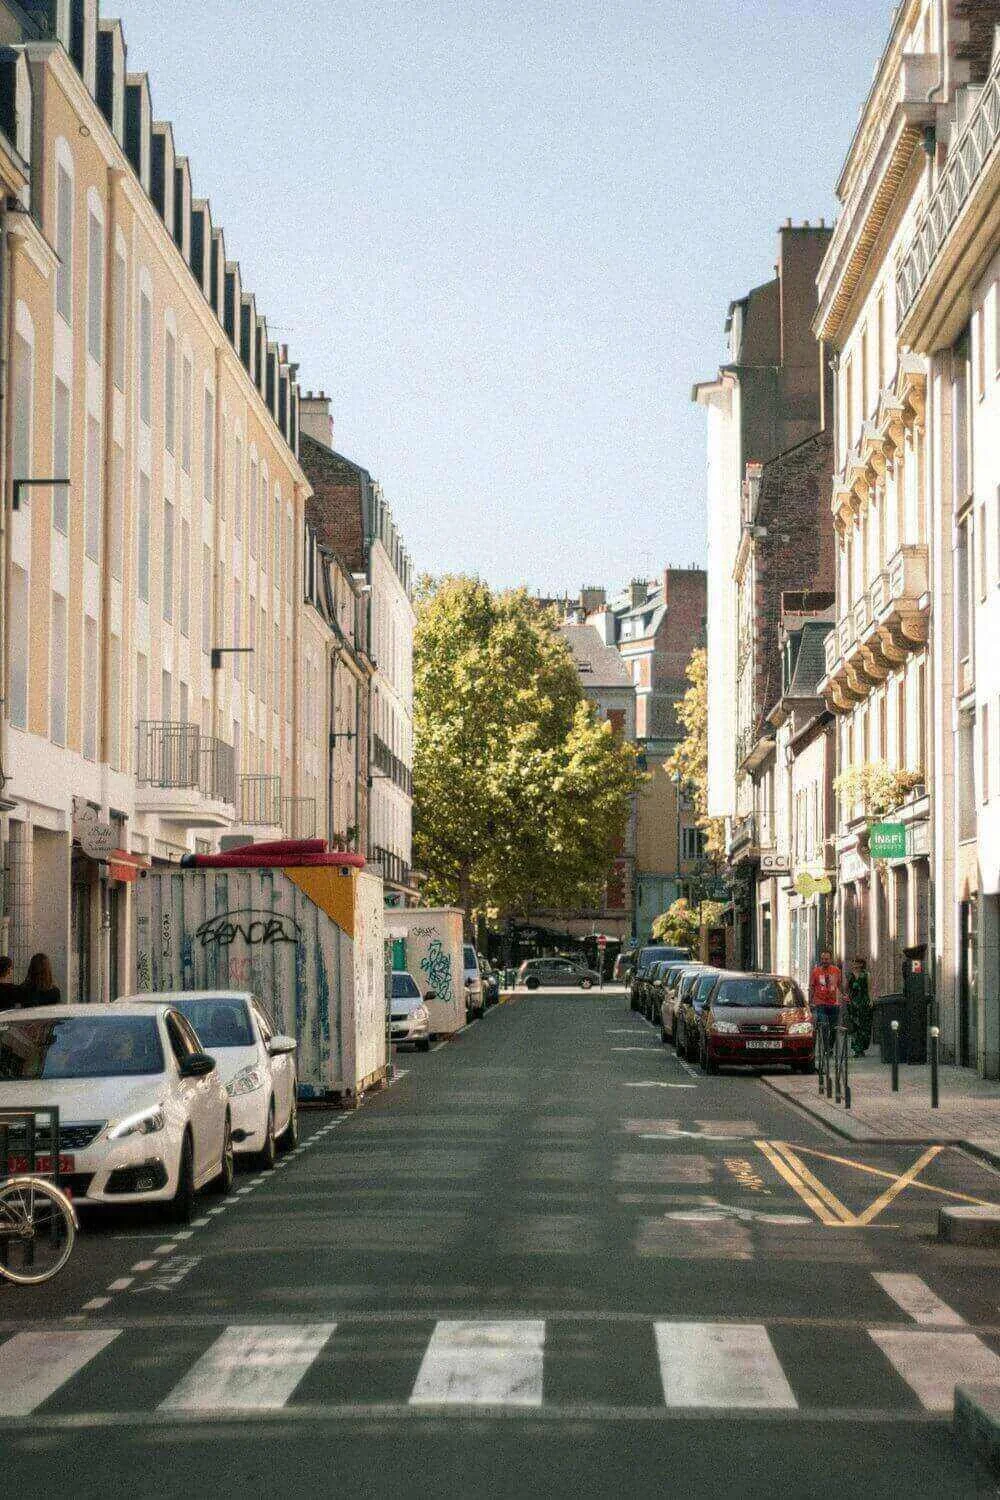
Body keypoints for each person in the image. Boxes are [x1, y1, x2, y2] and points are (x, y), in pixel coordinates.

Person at [809, 949, 843, 1045]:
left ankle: (830, 1046)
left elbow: (839, 985)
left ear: (830, 959)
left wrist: (844, 995)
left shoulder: (836, 970)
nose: (824, 961)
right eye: (822, 959)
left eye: (826, 959)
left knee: (833, 1027)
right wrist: (810, 1001)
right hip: (820, 1003)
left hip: (833, 1003)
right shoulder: (816, 971)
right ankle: (826, 1046)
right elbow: (812, 987)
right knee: (823, 1025)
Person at [846, 956, 873, 1058]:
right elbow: (846, 989)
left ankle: (862, 1047)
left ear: (861, 964)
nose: (854, 964)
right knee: (854, 1026)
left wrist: (870, 1000)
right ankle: (857, 1049)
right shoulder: (850, 975)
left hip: (863, 1002)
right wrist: (846, 998)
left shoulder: (866, 975)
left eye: (856, 962)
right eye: (853, 962)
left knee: (864, 1026)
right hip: (853, 1003)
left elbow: (869, 989)